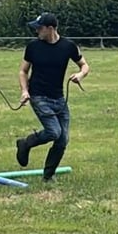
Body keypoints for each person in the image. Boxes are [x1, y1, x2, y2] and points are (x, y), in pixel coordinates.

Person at [16, 12, 89, 182]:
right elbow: (23, 71)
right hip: (38, 96)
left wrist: (80, 74)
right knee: (54, 132)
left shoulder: (68, 46)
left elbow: (84, 65)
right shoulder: (33, 46)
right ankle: (26, 143)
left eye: (39, 28)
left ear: (50, 29)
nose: (37, 31)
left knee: (63, 140)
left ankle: (48, 176)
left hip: (58, 98)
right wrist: (24, 91)